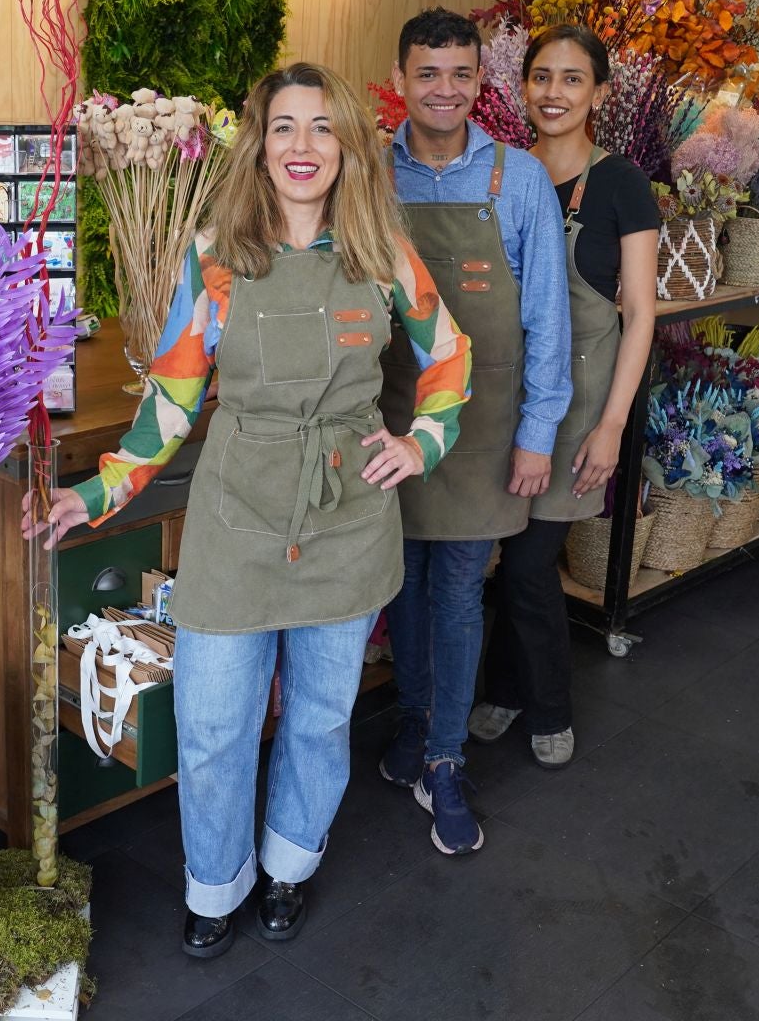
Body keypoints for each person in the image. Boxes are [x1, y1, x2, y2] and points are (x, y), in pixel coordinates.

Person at [26, 62, 472, 958]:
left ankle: (289, 870)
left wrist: (418, 443)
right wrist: (97, 489)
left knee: (316, 715)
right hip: (237, 521)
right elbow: (172, 401)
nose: (301, 147)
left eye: (320, 128)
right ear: (259, 147)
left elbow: (450, 357)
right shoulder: (216, 258)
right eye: (283, 128)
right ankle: (214, 884)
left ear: (347, 145)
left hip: (346, 519)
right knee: (215, 719)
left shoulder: (383, 251)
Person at [378, 7, 570, 856]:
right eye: (429, 73)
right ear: (401, 79)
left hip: (484, 425)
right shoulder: (368, 177)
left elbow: (547, 319)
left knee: (458, 590)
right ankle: (418, 725)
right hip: (391, 421)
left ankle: (447, 760)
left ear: (479, 84)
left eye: (461, 74)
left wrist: (538, 432)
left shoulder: (516, 179)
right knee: (403, 584)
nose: (445, 90)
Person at [474, 25, 658, 767]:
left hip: (578, 400)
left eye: (572, 79)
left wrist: (612, 425)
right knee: (496, 555)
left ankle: (545, 705)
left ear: (601, 94)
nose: (554, 92)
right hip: (501, 395)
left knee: (526, 563)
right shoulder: (502, 174)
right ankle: (506, 686)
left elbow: (640, 312)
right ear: (522, 87)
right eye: (541, 76)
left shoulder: (621, 185)